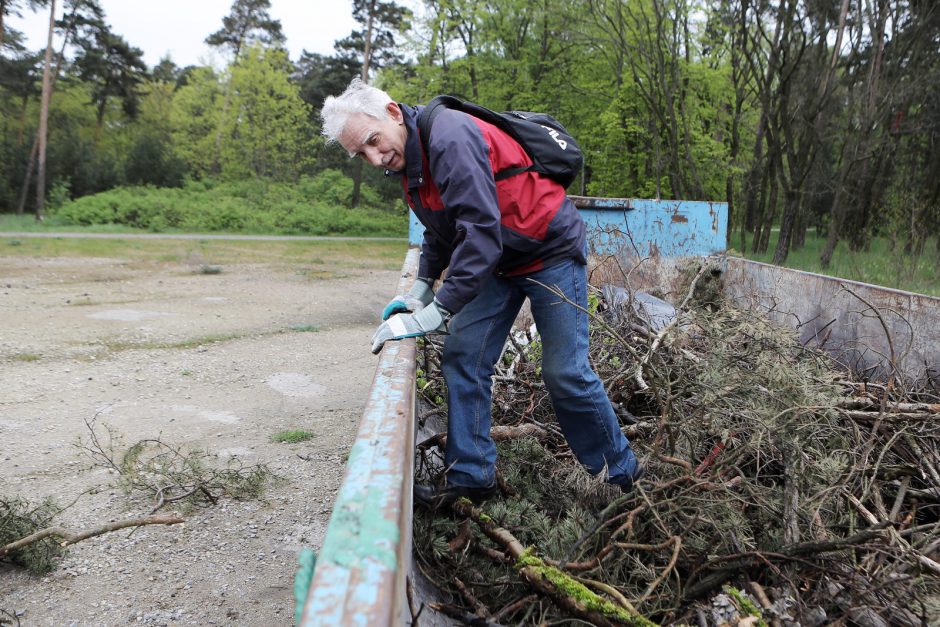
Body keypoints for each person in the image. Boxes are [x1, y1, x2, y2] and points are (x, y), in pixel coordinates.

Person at [320, 78, 643, 509]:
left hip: (549, 249)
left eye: (373, 141)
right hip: (500, 259)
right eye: (361, 154)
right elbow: (441, 229)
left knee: (565, 371)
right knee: (464, 355)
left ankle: (622, 479)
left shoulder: (450, 136)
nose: (375, 157)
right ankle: (472, 476)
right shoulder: (410, 160)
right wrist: (420, 289)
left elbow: (479, 235)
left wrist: (438, 310)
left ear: (393, 113)